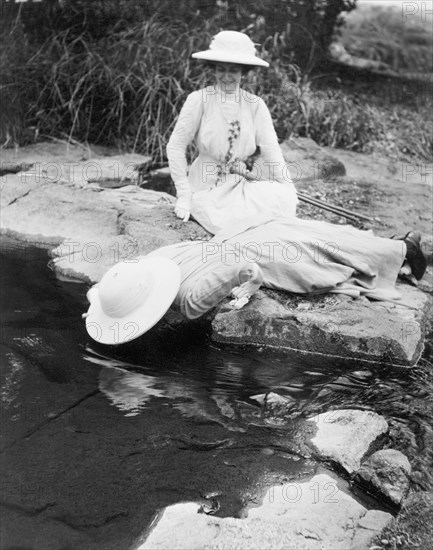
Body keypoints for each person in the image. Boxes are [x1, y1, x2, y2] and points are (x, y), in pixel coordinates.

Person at [84, 214, 426, 345]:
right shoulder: (152, 262)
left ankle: (402, 249)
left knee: (321, 254)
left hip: (258, 255)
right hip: (236, 237)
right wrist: (100, 301)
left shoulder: (189, 301)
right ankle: (392, 246)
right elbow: (100, 287)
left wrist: (254, 283)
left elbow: (239, 265)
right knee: (320, 236)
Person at [167, 30, 298, 234]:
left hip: (238, 184)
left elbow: (271, 150)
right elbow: (175, 146)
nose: (226, 77)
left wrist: (289, 189)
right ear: (214, 69)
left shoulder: (255, 105)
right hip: (204, 187)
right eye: (221, 69)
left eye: (233, 71)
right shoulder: (199, 99)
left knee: (282, 199)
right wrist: (183, 194)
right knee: (229, 225)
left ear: (244, 72)